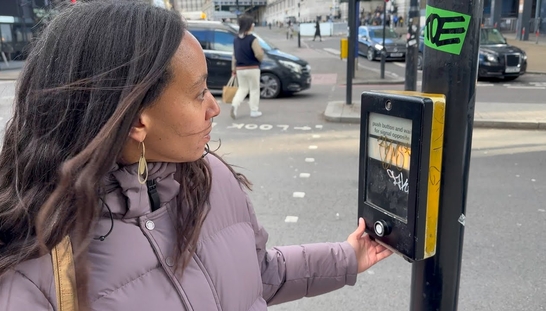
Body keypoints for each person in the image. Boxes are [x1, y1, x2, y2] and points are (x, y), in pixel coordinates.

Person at [0, 1, 392, 310]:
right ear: (137, 121)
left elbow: (260, 275)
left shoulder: (210, 177)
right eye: (199, 92)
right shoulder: (33, 271)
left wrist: (347, 257)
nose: (214, 107)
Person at [230, 15, 264, 119]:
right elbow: (258, 54)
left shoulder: (236, 40)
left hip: (240, 69)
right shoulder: (252, 39)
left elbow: (234, 56)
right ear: (249, 26)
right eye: (252, 24)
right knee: (254, 89)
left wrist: (233, 69)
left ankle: (234, 105)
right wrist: (261, 56)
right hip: (252, 68)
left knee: (242, 89)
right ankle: (254, 110)